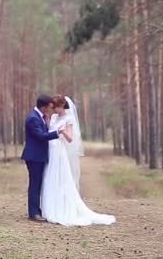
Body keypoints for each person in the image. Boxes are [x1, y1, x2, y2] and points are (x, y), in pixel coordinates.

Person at [40, 95, 116, 227]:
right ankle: (49, 207)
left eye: (56, 107)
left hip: (59, 152)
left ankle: (62, 208)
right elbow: (48, 131)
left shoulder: (68, 119)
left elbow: (70, 139)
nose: (54, 110)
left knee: (61, 179)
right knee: (49, 178)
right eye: (53, 107)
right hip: (50, 151)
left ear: (62, 106)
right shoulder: (53, 117)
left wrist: (62, 131)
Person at [21, 94, 64, 222]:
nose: (50, 109)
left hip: (38, 156)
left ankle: (36, 211)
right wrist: (57, 133)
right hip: (34, 157)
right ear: (43, 106)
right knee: (35, 184)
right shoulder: (33, 118)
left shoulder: (39, 117)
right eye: (49, 107)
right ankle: (33, 213)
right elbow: (40, 136)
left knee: (38, 183)